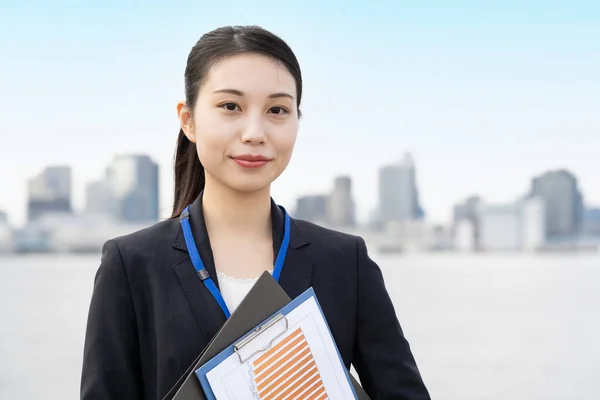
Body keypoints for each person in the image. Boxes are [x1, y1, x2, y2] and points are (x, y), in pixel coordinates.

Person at [80, 25, 430, 400]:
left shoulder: (346, 263)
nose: (254, 132)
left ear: (297, 120)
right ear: (189, 120)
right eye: (230, 106)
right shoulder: (131, 265)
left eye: (277, 110)